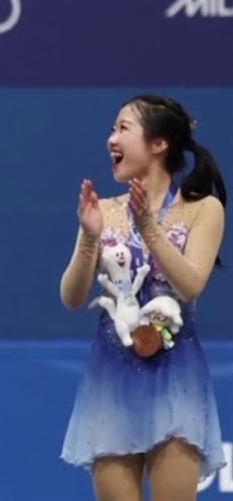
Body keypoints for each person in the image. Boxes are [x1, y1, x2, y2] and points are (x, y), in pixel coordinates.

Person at [60, 95, 226, 501]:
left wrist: (149, 229)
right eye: (112, 129)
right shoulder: (104, 211)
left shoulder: (203, 209)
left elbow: (191, 286)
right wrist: (89, 239)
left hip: (177, 377)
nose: (110, 138)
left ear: (158, 144)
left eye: (122, 128)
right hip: (111, 378)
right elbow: (72, 297)